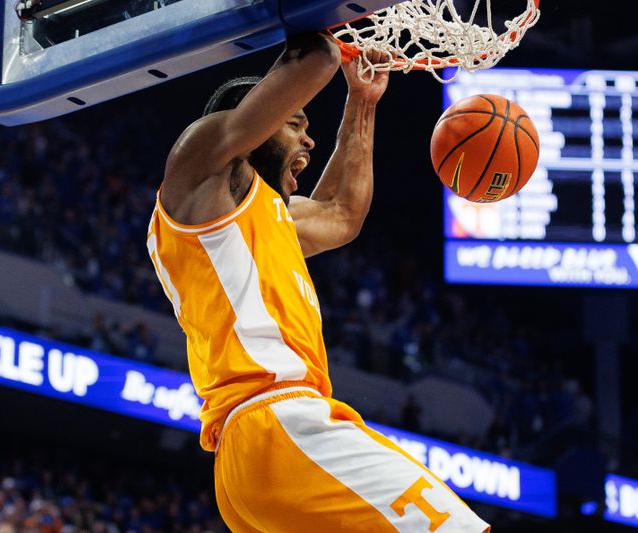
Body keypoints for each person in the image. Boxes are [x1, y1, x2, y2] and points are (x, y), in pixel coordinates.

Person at [147, 33, 489, 532]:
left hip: (249, 460)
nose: (309, 140)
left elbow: (342, 214)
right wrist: (327, 20)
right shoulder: (200, 168)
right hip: (276, 422)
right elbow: (316, 57)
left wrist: (362, 102)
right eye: (294, 123)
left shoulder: (263, 216)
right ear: (253, 118)